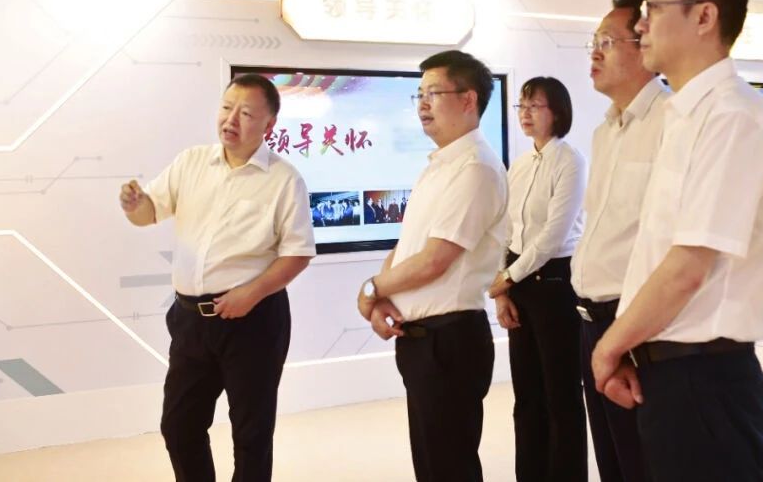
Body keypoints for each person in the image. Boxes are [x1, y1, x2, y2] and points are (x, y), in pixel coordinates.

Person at [591, 0, 763, 482]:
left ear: (704, 17)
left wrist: (608, 347)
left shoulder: (735, 117)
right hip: (668, 372)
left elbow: (687, 268)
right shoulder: (684, 117)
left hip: (704, 379)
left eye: (653, 6)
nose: (641, 24)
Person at [119, 73, 316, 482]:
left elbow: (297, 253)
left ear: (268, 125)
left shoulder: (284, 179)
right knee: (179, 425)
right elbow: (149, 213)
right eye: (227, 108)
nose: (231, 119)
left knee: (251, 434)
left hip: (253, 320)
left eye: (246, 114)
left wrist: (251, 294)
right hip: (191, 320)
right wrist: (134, 205)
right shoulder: (191, 162)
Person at [357, 50, 507, 482]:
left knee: (449, 466)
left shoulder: (475, 168)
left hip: (450, 340)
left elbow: (436, 260)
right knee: (432, 464)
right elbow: (409, 247)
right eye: (418, 95)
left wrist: (371, 289)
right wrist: (383, 296)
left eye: (433, 93)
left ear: (468, 99)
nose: (422, 104)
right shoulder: (439, 166)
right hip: (422, 338)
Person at [571, 0, 668, 482]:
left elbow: (665, 246)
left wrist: (626, 339)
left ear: (645, 45)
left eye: (607, 41)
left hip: (636, 326)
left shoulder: (672, 121)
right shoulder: (604, 132)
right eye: (594, 40)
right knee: (612, 462)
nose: (595, 52)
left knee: (642, 463)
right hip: (592, 322)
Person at [488, 76, 588, 482]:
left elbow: (552, 236)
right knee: (527, 394)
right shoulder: (521, 164)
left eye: (534, 106)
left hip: (555, 283)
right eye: (522, 106)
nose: (525, 114)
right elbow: (506, 229)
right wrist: (503, 289)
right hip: (519, 281)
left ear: (557, 112)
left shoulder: (570, 161)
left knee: (561, 394)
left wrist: (507, 277)